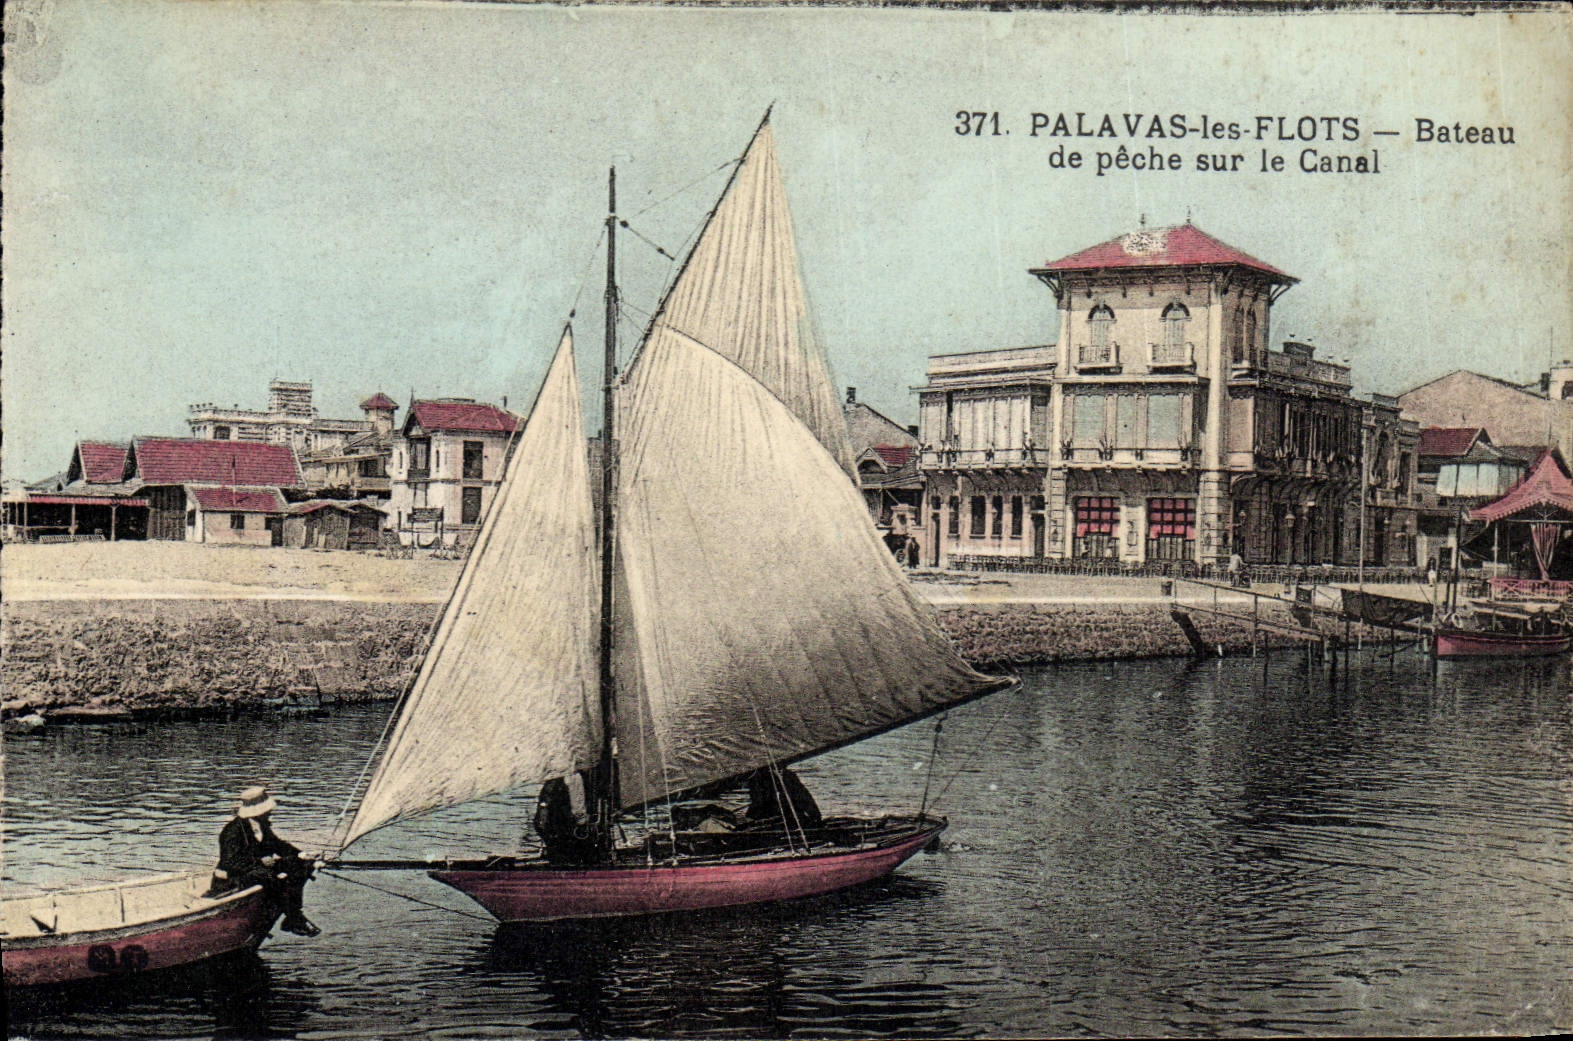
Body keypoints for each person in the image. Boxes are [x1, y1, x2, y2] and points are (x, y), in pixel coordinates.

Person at [208, 786, 319, 937]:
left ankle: (293, 915)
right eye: (267, 811)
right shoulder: (232, 831)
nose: (270, 813)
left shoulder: (262, 826)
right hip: (233, 876)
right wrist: (260, 862)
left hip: (256, 869)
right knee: (268, 877)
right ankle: (294, 919)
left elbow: (277, 844)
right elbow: (231, 861)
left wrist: (302, 855)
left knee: (300, 866)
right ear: (258, 812)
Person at [534, 773, 600, 865]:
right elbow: (577, 805)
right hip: (567, 827)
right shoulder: (572, 777)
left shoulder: (554, 779)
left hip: (560, 828)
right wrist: (581, 821)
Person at [744, 767, 822, 828]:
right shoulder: (758, 777)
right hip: (769, 818)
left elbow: (804, 798)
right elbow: (758, 801)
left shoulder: (787, 776)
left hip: (786, 818)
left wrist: (816, 817)